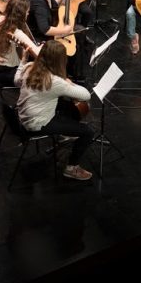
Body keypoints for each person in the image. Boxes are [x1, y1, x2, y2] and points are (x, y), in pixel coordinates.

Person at [14, 40, 94, 181]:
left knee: (66, 104)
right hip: (37, 124)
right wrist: (69, 83)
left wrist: (23, 60)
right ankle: (71, 168)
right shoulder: (55, 81)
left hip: (22, 116)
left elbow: (16, 81)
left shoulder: (29, 67)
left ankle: (65, 134)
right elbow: (86, 95)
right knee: (88, 132)